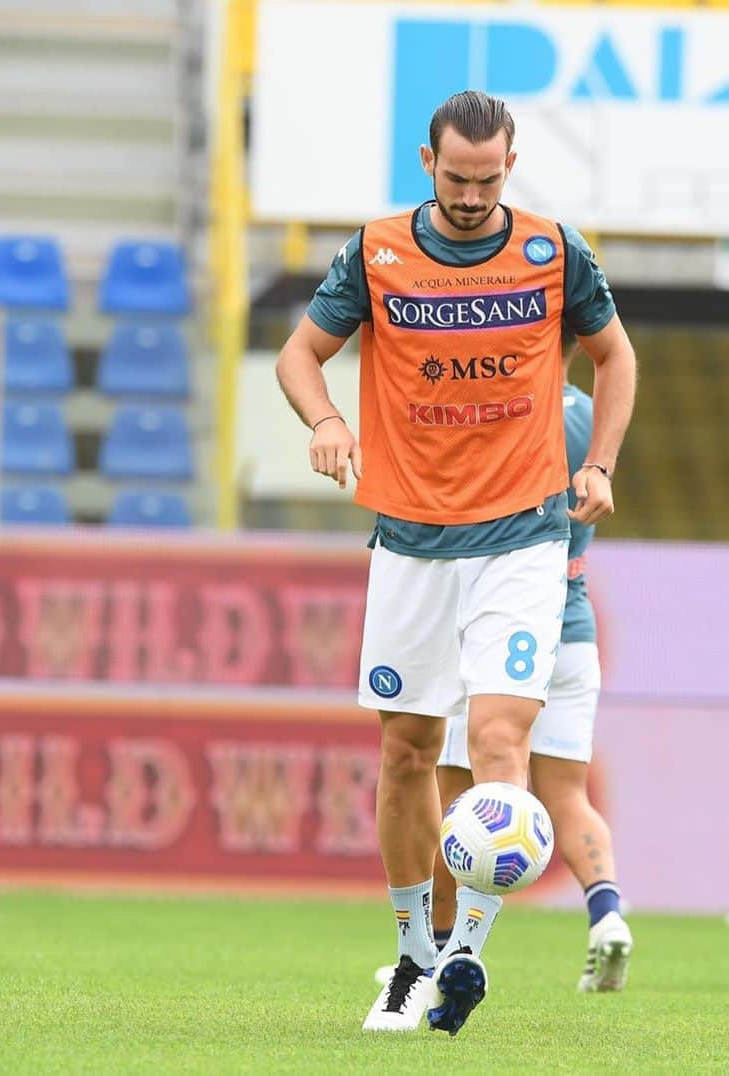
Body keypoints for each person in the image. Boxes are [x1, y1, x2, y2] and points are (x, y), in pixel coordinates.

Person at [275, 89, 636, 1036]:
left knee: (499, 746)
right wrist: (325, 420)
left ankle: (467, 948)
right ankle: (409, 957)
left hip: (522, 535)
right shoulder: (378, 251)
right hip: (409, 540)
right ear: (426, 162)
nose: (473, 196)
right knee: (404, 753)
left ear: (509, 164)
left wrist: (596, 462)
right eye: (456, 177)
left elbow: (616, 357)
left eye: (489, 178)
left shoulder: (555, 252)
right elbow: (300, 354)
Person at [432, 347, 633, 993]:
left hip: (498, 626)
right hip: (571, 627)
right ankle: (606, 914)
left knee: (461, 794)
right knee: (566, 794)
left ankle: (444, 950)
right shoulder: (588, 421)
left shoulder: (500, 416)